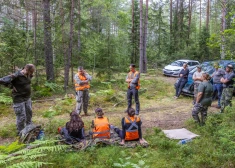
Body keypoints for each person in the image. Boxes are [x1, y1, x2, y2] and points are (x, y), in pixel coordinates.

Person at [0, 64, 35, 135]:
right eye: (30, 72)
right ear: (26, 70)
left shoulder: (29, 75)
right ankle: (21, 132)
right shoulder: (16, 75)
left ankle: (29, 128)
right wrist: (11, 86)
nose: (31, 74)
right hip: (19, 98)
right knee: (22, 116)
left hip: (27, 97)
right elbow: (1, 80)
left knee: (29, 113)